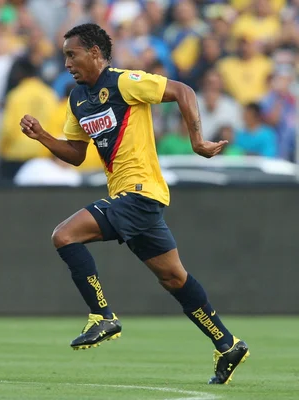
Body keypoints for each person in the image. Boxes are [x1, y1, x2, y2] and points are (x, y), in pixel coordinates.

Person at [19, 23, 249, 385]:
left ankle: (102, 315)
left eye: (72, 54)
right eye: (65, 56)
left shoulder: (124, 82)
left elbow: (183, 90)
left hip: (139, 193)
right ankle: (227, 343)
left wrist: (197, 140)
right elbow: (77, 155)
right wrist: (43, 137)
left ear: (95, 53)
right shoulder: (78, 99)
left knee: (64, 236)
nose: (66, 63)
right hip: (131, 199)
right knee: (173, 277)